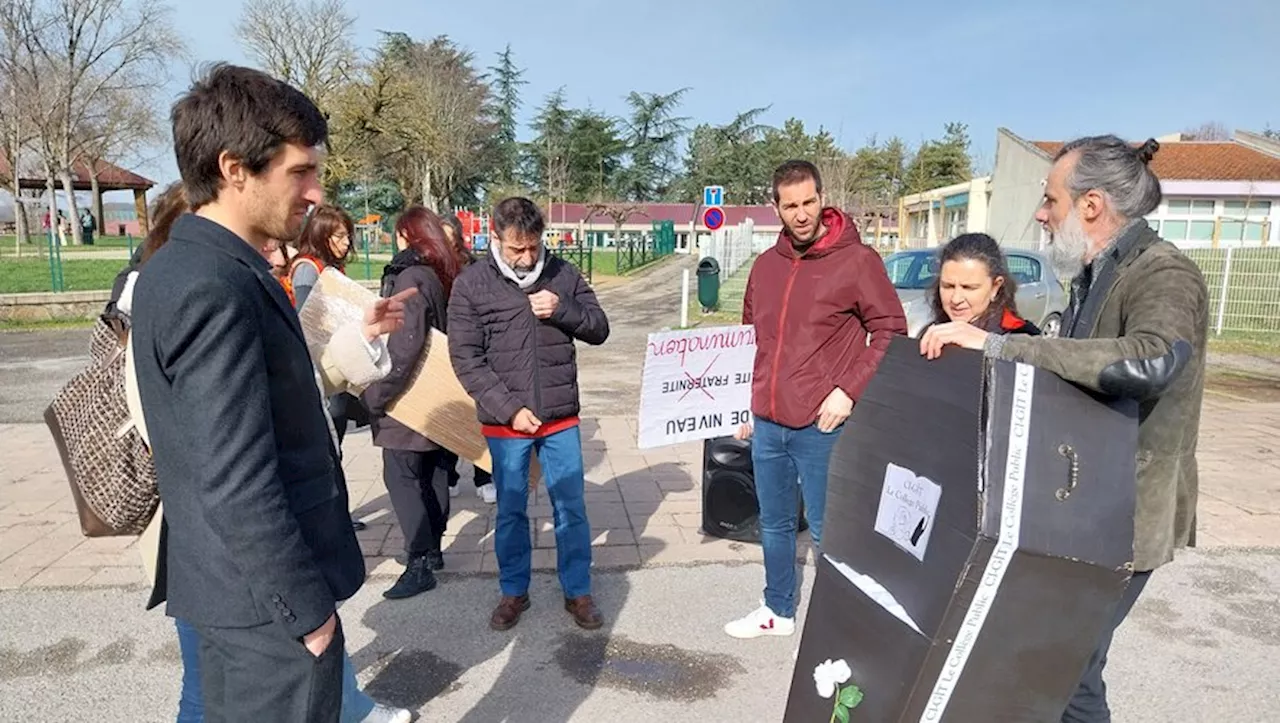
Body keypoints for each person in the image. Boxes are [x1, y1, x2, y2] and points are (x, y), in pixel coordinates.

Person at [919, 136, 1208, 723]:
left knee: (1066, 668)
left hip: (1126, 516)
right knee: (1065, 667)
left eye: (1050, 200)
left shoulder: (1164, 272)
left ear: (1093, 205)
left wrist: (1002, 347)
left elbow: (1151, 360)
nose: (1040, 214)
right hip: (1082, 506)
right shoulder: (1094, 275)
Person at [130, 62, 364, 723]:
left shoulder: (185, 262)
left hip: (231, 591)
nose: (316, 191)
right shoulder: (212, 285)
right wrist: (307, 614)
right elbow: (234, 480)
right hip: (264, 611)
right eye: (299, 172)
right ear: (235, 169)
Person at [725, 160, 907, 640]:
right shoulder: (765, 267)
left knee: (833, 531)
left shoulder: (858, 262)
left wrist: (849, 391)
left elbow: (890, 329)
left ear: (822, 198)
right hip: (767, 424)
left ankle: (846, 625)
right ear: (776, 208)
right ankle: (777, 610)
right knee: (775, 523)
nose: (801, 214)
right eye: (790, 206)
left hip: (822, 426)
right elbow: (751, 338)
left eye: (809, 202)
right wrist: (740, 403)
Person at [447, 196, 610, 632]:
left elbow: (599, 327)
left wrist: (562, 310)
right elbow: (465, 358)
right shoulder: (472, 284)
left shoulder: (564, 274)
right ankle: (513, 591)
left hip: (561, 417)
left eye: (533, 247)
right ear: (495, 238)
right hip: (507, 422)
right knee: (511, 510)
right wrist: (509, 410)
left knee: (571, 508)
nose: (527, 257)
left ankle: (578, 591)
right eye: (517, 248)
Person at [361, 206, 462, 599]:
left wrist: (377, 394)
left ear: (408, 236)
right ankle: (433, 550)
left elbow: (405, 345)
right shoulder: (439, 273)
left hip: (409, 400)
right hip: (433, 396)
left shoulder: (410, 277)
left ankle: (418, 561)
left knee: (403, 479)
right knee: (433, 472)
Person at [440, 211, 497, 504]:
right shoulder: (430, 267)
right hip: (442, 348)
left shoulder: (472, 267)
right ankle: (449, 475)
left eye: (451, 237)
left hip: (474, 347)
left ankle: (483, 476)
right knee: (450, 414)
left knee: (478, 415)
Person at [923, 232, 1040, 337]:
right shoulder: (932, 334)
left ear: (995, 287)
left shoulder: (1020, 339)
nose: (956, 299)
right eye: (948, 286)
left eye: (969, 288)